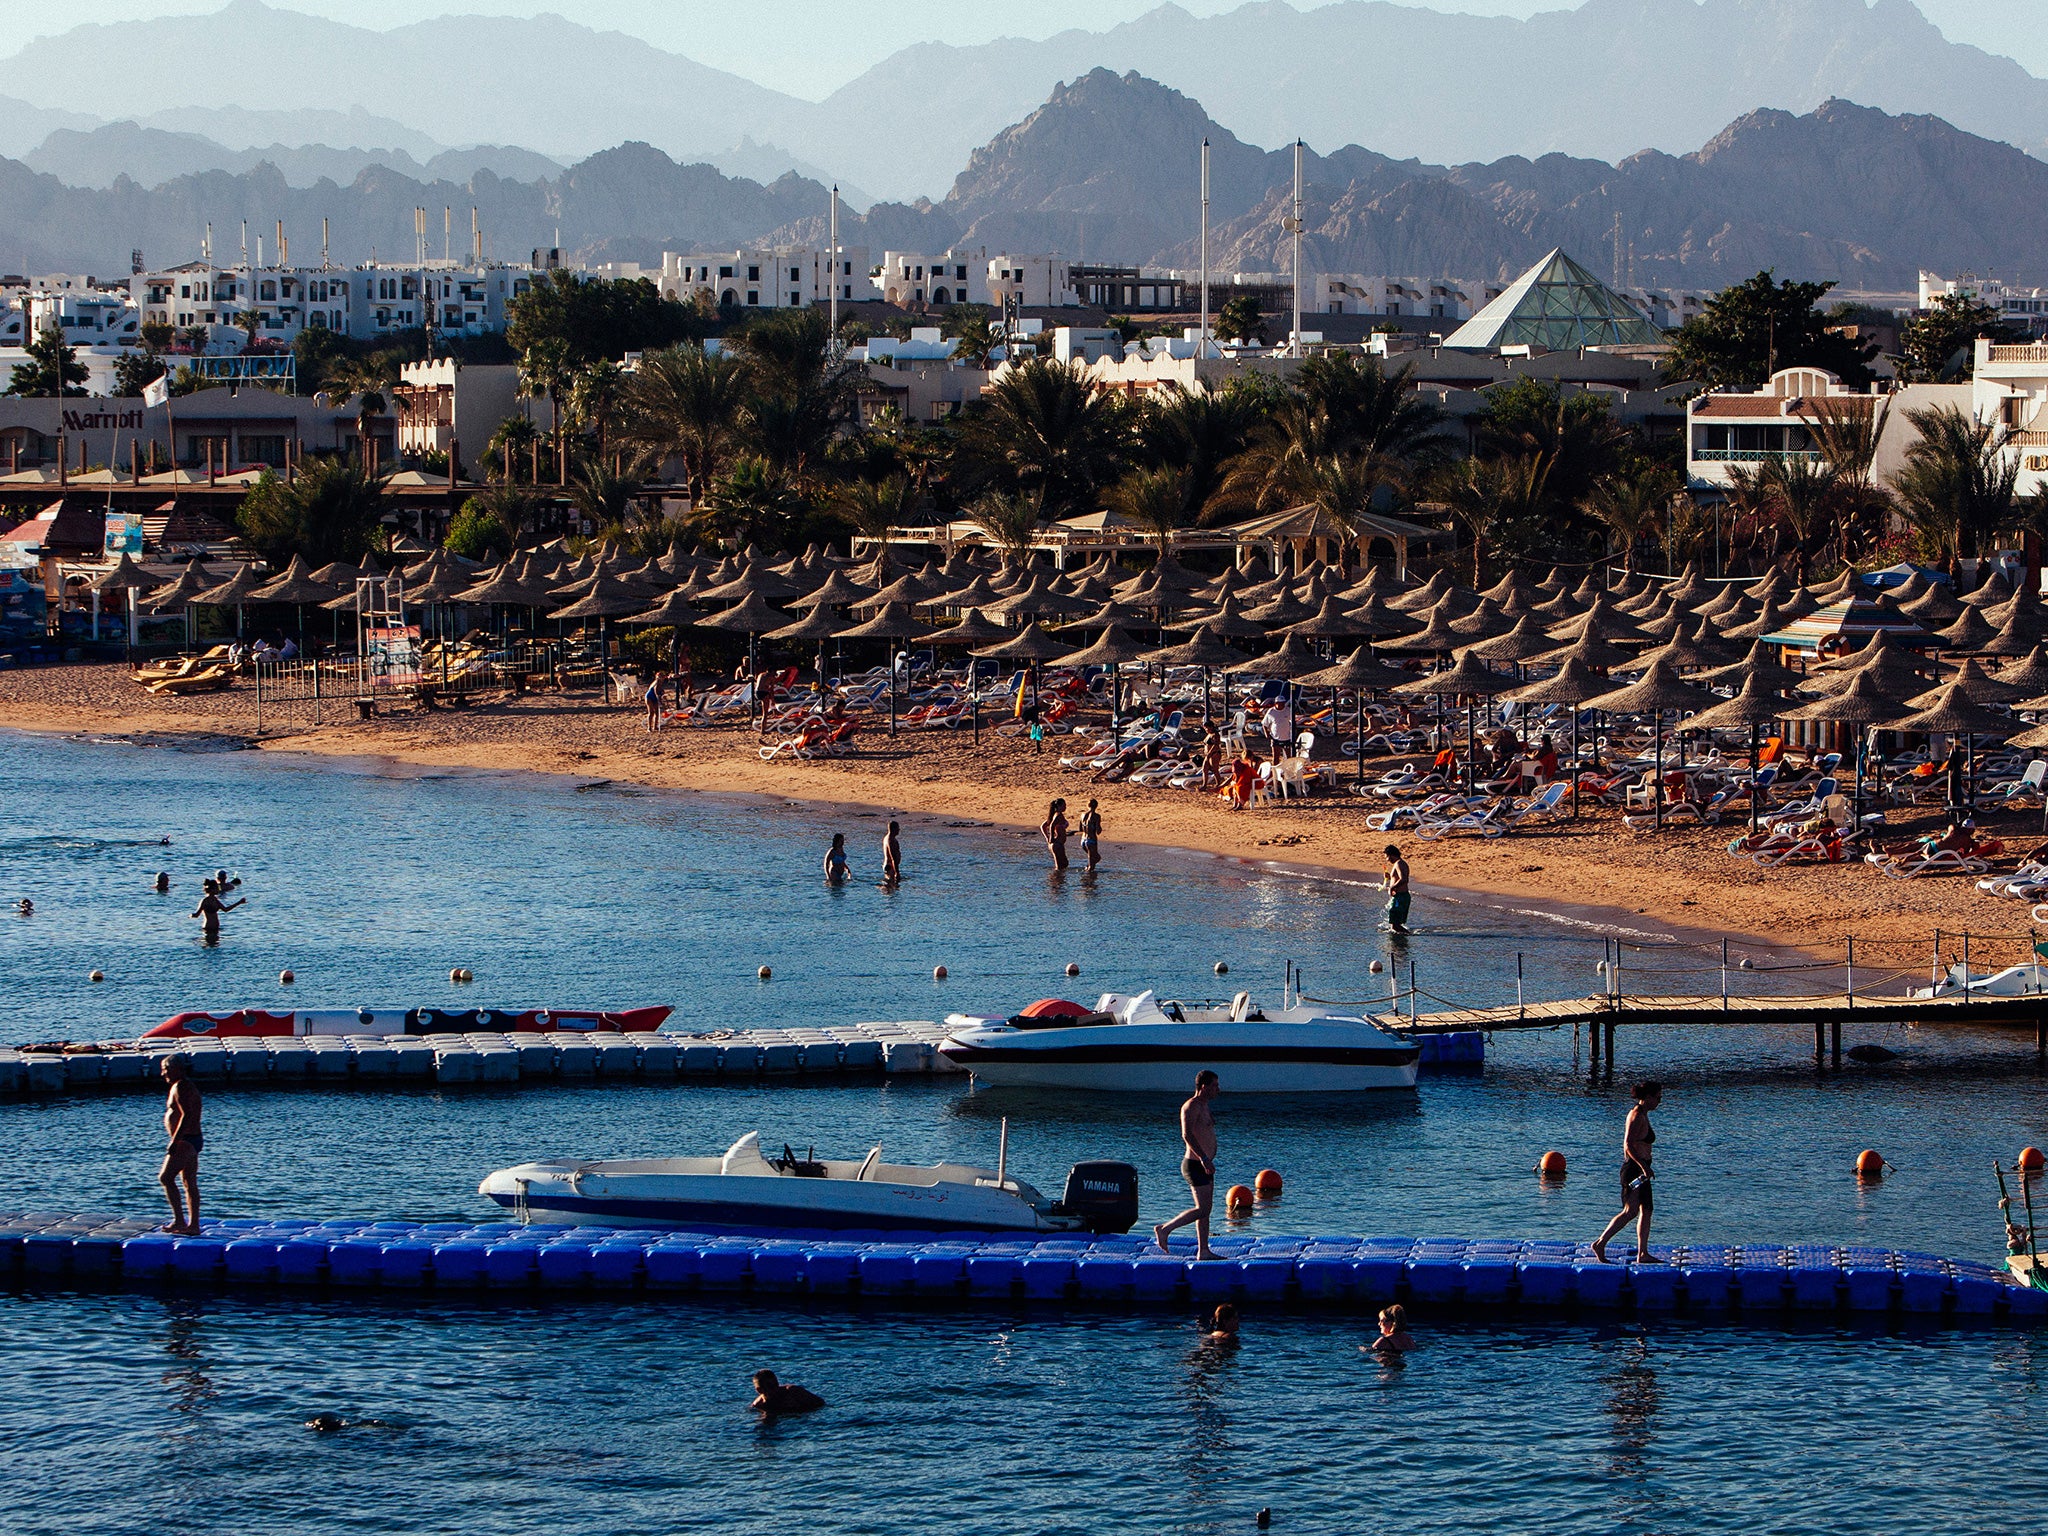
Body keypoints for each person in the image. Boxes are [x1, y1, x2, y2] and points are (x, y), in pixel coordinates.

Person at [1591, 1081, 1663, 1264]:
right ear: (1647, 1098)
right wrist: (1643, 1166)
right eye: (1657, 1098)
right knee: (1630, 1211)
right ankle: (1600, 1243)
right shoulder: (1636, 1116)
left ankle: (1643, 1253)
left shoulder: (1644, 1115)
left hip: (1642, 1170)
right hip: (1633, 1170)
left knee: (1646, 1210)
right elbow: (1628, 1145)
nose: (1659, 1101)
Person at [1154, 1069, 1221, 1260]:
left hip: (1205, 1164)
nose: (1218, 1089)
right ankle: (1165, 1229)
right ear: (1204, 1087)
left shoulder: (1205, 1106)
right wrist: (1204, 1158)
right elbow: (1187, 1134)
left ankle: (1204, 1251)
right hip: (1195, 1164)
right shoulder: (1190, 1106)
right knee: (1202, 1209)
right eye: (1215, 1085)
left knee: (1205, 1210)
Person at [158, 1055, 203, 1234]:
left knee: (166, 1177)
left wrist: (175, 1140)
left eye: (166, 1069)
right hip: (192, 1139)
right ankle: (193, 1225)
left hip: (185, 1140)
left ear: (177, 1069)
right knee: (188, 1182)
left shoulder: (181, 1087)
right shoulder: (185, 1085)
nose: (163, 1074)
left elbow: (186, 1115)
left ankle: (180, 1221)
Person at [191, 878, 245, 944]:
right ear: (211, 889)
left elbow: (225, 909)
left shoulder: (215, 900)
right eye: (216, 888)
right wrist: (191, 915)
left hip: (216, 928)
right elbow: (197, 915)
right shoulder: (205, 901)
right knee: (210, 945)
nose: (218, 890)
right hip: (208, 928)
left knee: (215, 945)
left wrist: (239, 902)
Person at [749, 1369, 825, 1415]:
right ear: (759, 1390)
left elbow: (820, 1403)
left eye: (776, 1384)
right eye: (770, 1386)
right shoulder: (758, 1405)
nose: (775, 1388)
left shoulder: (792, 1392)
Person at [1380, 845, 1411, 934]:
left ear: (1390, 855)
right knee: (1395, 924)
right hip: (1400, 897)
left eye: (1387, 857)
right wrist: (1389, 878)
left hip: (1400, 897)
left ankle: (1406, 938)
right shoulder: (1398, 864)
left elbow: (1404, 879)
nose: (1387, 860)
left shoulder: (1399, 864)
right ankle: (1400, 942)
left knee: (1395, 926)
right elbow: (1398, 879)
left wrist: (1392, 887)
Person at [1041, 798, 1070, 870]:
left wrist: (1047, 837)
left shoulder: (1054, 815)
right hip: (1057, 844)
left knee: (1064, 864)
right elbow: (1051, 825)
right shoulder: (1058, 815)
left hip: (1058, 844)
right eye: (1064, 805)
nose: (1065, 807)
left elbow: (1043, 826)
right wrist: (1050, 837)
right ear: (1059, 806)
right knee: (1059, 867)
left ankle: (1058, 880)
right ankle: (1056, 880)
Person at [1079, 799, 1103, 872]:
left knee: (1095, 858)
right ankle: (1089, 880)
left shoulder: (1082, 815)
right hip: (1091, 840)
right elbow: (1098, 831)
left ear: (1088, 805)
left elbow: (1080, 829)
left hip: (1083, 840)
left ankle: (1087, 872)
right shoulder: (1096, 816)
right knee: (1094, 861)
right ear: (1096, 806)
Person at [881, 820, 902, 887]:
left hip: (888, 866)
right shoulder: (890, 840)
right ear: (893, 829)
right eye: (897, 828)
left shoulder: (887, 838)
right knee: (892, 886)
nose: (899, 830)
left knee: (890, 885)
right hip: (890, 866)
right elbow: (893, 857)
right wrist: (897, 872)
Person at [644, 670, 666, 734]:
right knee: (651, 712)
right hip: (649, 697)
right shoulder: (656, 682)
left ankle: (655, 726)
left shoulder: (660, 683)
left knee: (657, 712)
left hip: (655, 698)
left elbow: (660, 691)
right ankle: (649, 727)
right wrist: (659, 699)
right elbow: (656, 692)